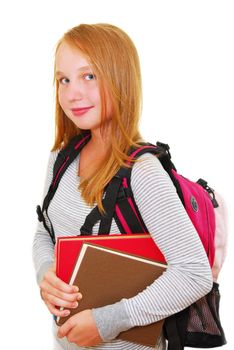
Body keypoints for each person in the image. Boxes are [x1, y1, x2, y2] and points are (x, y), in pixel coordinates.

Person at [33, 23, 213, 350]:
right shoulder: (62, 157)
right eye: (64, 79)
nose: (72, 93)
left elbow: (194, 273)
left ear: (120, 79)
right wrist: (46, 273)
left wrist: (106, 323)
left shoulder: (142, 172)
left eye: (89, 76)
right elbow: (45, 231)